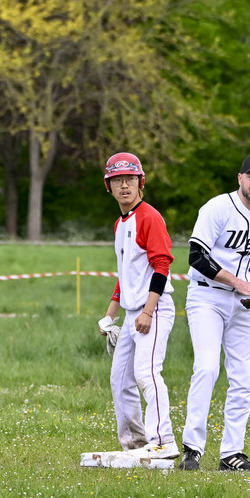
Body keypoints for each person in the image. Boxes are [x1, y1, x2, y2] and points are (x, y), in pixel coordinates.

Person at [180, 154, 250, 472]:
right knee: (208, 368)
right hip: (207, 298)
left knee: (244, 379)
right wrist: (240, 283)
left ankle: (231, 454)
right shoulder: (217, 208)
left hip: (243, 306)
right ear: (240, 178)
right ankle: (192, 449)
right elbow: (197, 257)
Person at [96, 152, 179, 459]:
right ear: (109, 186)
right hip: (133, 314)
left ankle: (163, 441)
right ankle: (135, 443)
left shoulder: (149, 217)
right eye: (117, 181)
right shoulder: (120, 223)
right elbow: (125, 275)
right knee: (119, 379)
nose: (124, 186)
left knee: (146, 373)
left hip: (153, 310)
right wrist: (109, 317)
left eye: (130, 179)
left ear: (140, 182)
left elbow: (162, 266)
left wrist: (147, 311)